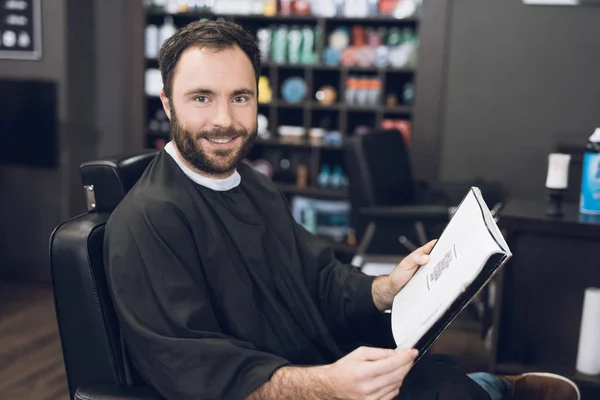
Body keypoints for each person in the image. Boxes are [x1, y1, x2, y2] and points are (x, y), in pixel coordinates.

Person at [104, 20, 580, 400]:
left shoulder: (252, 185)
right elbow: (198, 371)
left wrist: (386, 287)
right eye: (201, 98)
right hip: (285, 390)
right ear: (167, 103)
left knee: (431, 373)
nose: (225, 120)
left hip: (318, 366)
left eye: (240, 97)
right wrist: (326, 386)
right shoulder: (148, 221)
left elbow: (320, 279)